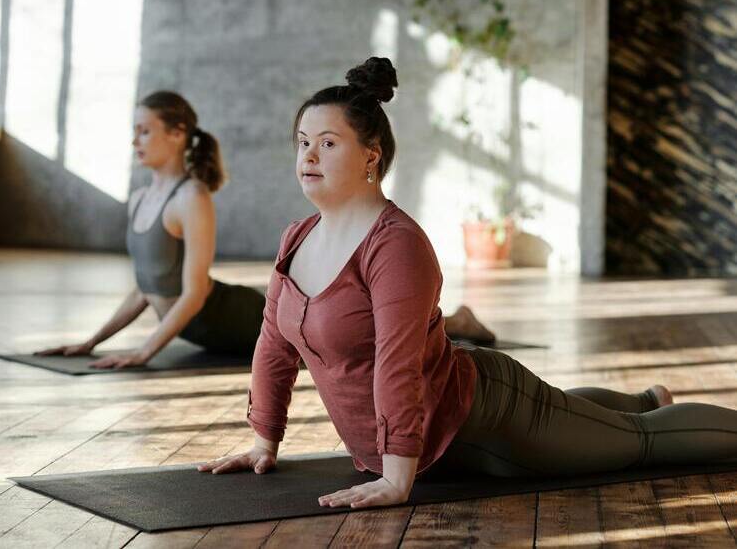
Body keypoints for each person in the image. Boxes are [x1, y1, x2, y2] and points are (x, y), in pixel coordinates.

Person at [197, 57, 737, 509]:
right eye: (302, 141)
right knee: (583, 416)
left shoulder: (395, 244)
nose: (309, 155)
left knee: (643, 444)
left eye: (329, 143)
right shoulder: (297, 236)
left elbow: (397, 362)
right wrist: (264, 440)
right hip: (424, 439)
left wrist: (396, 476)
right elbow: (273, 344)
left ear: (370, 156)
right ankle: (645, 397)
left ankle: (649, 412)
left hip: (485, 422)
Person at [37, 90, 496, 368]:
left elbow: (193, 294)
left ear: (177, 134)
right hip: (201, 329)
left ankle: (456, 322)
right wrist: (91, 342)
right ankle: (454, 320)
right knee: (350, 326)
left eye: (144, 131)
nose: (134, 141)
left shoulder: (191, 198)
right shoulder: (140, 198)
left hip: (231, 317)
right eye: (133, 132)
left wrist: (145, 352)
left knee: (353, 334)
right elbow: (146, 287)